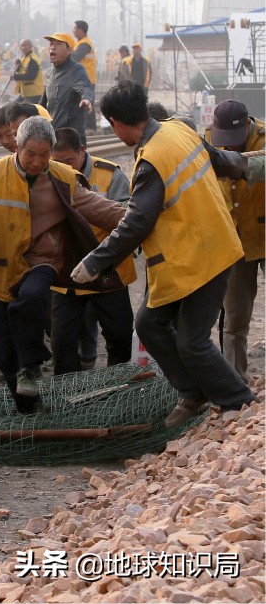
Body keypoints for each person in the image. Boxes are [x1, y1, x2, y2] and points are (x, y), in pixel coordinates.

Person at [71, 81, 259, 427]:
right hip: (198, 253)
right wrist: (244, 164)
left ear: (116, 122)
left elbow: (136, 223)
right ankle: (193, 393)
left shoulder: (152, 161)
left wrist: (95, 261)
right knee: (149, 323)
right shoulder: (178, 130)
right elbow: (219, 159)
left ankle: (239, 401)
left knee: (192, 342)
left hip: (204, 258)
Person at [0, 117, 125, 412]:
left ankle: (31, 367)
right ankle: (28, 408)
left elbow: (99, 207)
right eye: (31, 153)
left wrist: (137, 219)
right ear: (17, 146)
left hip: (41, 261)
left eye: (44, 155)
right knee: (3, 352)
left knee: (31, 298)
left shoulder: (62, 178)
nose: (37, 162)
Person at [50, 127, 135, 373]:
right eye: (57, 161)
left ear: (82, 152)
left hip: (109, 270)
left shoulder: (110, 175)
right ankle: (67, 394)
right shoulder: (49, 176)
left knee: (119, 336)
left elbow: (130, 217)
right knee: (62, 342)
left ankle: (117, 386)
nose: (65, 166)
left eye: (69, 160)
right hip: (66, 271)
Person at [205, 100, 265, 382]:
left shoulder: (264, 138)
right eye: (224, 142)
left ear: (248, 127)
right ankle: (235, 381)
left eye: (235, 142)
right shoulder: (207, 142)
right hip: (234, 239)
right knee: (234, 317)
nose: (229, 147)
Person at [39, 32, 94, 139]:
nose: (53, 47)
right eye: (51, 44)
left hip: (72, 137)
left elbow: (84, 87)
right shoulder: (49, 74)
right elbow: (43, 103)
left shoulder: (76, 69)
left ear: (69, 50)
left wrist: (87, 98)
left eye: (59, 44)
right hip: (54, 135)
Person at [71, 20, 98, 130]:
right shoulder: (80, 42)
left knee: (87, 103)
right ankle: (88, 127)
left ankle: (91, 128)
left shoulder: (85, 44)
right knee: (84, 103)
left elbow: (74, 57)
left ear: (81, 30)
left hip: (87, 79)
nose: (73, 31)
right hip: (82, 78)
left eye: (74, 29)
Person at [12, 39, 44, 104]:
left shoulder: (32, 59)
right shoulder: (25, 58)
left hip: (34, 93)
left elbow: (31, 76)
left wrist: (16, 76)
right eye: (21, 46)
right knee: (14, 108)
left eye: (25, 45)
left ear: (30, 46)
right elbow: (23, 71)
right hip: (26, 92)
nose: (23, 48)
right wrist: (17, 66)